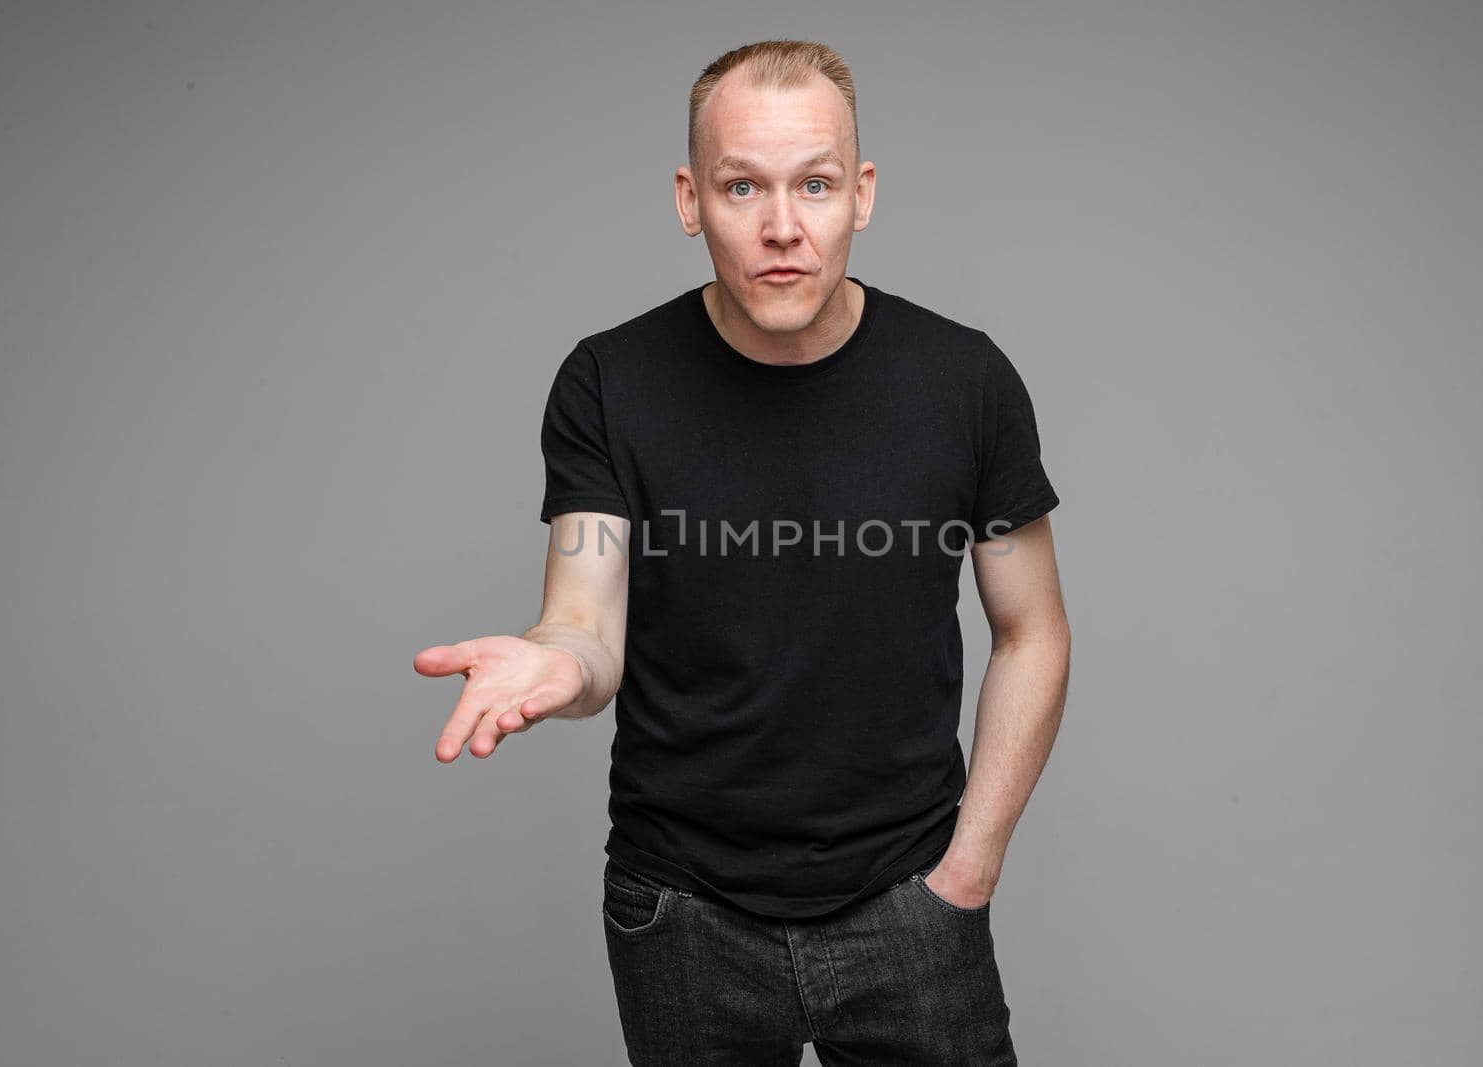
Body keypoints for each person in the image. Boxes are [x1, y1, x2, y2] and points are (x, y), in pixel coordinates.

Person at [414, 38, 1071, 1066]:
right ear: (690, 199)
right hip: (682, 908)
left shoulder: (965, 381)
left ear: (860, 193)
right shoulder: (609, 382)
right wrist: (555, 662)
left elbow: (1032, 631)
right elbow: (584, 621)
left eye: (813, 184)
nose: (781, 227)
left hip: (910, 895)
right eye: (740, 186)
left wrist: (969, 867)